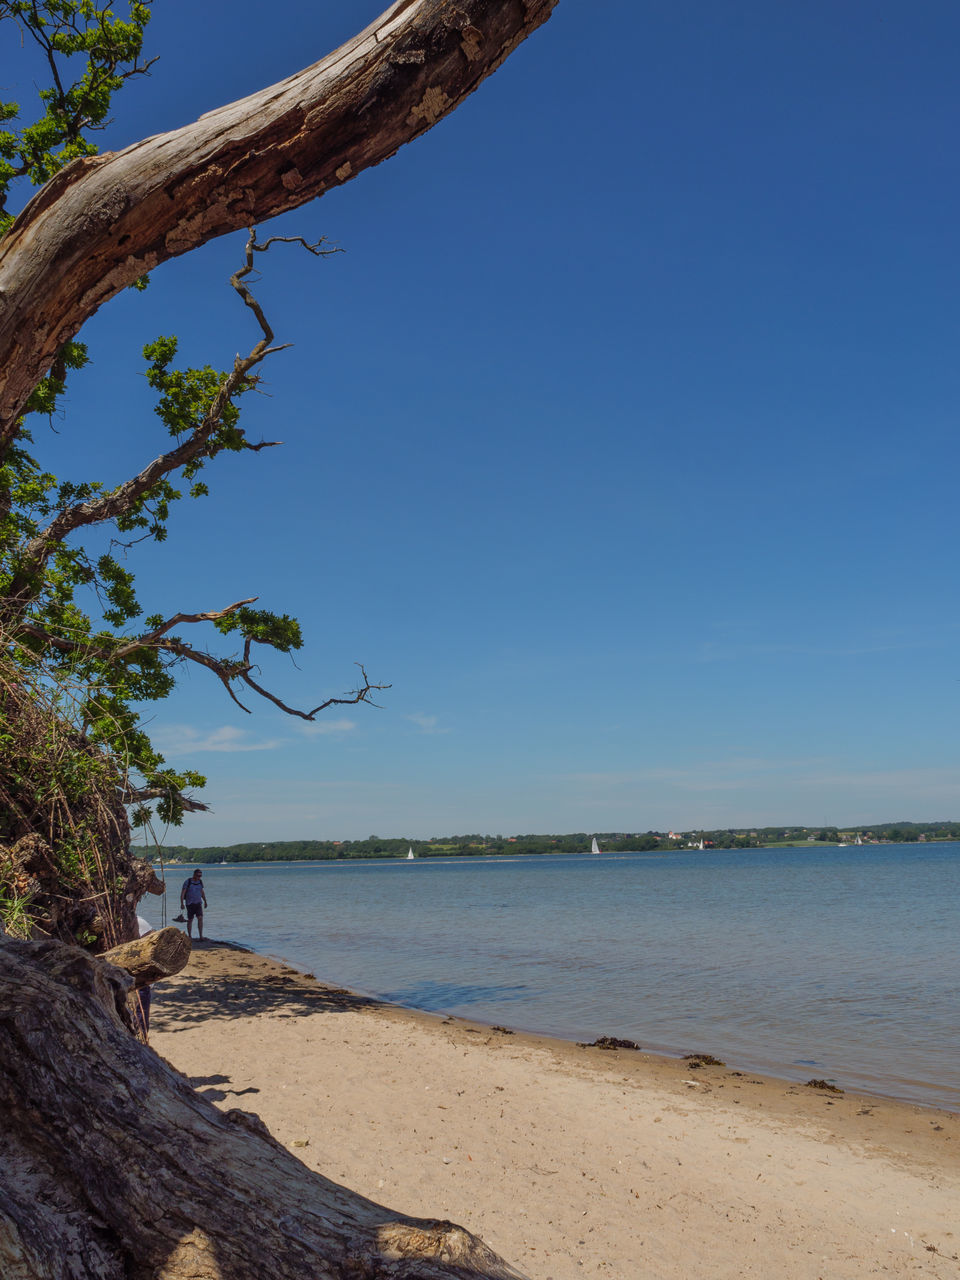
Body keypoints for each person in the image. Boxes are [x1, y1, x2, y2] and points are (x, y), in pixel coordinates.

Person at [179, 868, 208, 941]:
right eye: (198, 875)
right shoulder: (188, 882)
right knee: (190, 920)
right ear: (194, 874)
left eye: (200, 876)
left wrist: (205, 901)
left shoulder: (200, 882)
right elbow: (182, 893)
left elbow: (202, 892)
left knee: (200, 918)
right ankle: (190, 936)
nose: (199, 877)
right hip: (190, 903)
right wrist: (182, 903)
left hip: (198, 903)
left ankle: (201, 936)